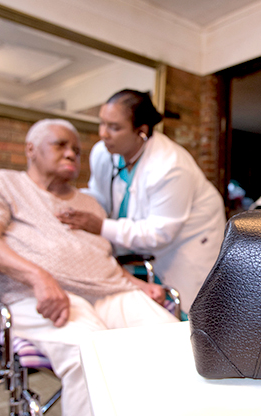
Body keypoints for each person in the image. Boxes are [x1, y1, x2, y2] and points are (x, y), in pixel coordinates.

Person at [0, 118, 178, 416]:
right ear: (31, 149)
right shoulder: (4, 183)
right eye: (60, 145)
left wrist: (141, 285)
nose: (71, 154)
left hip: (110, 294)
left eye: (76, 150)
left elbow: (104, 261)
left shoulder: (90, 204)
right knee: (91, 355)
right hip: (40, 297)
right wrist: (39, 277)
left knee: (173, 343)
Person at [57, 90, 226, 315]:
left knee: (185, 310)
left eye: (114, 127)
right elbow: (100, 196)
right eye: (102, 123)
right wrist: (70, 198)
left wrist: (100, 226)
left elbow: (159, 233)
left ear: (142, 131)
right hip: (142, 245)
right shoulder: (102, 153)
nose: (104, 134)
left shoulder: (170, 165)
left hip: (188, 242)